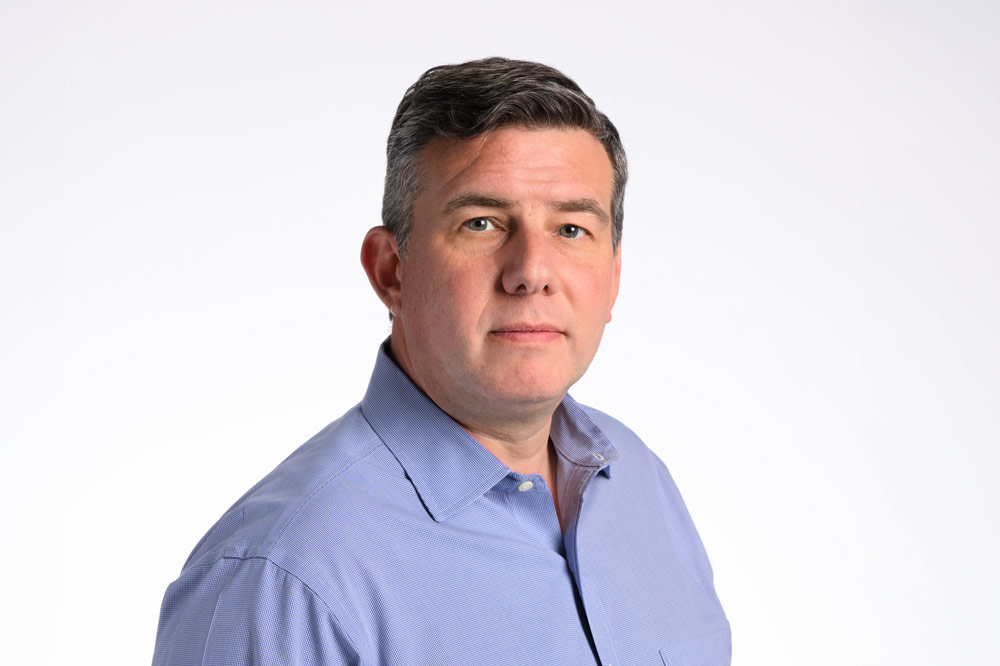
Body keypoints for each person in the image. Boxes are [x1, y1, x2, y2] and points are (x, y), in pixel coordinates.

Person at [152, 57, 730, 666]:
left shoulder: (640, 483)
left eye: (570, 229)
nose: (532, 272)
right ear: (390, 271)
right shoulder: (285, 579)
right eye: (481, 223)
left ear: (613, 277)